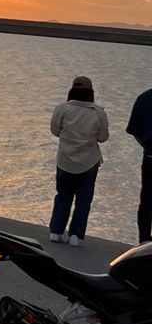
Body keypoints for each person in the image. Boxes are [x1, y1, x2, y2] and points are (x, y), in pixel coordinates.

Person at [49, 76, 109, 246]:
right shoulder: (98, 113)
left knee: (63, 195)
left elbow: (55, 131)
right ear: (91, 92)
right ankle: (75, 235)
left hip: (65, 160)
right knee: (83, 199)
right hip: (89, 162)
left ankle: (56, 231)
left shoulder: (62, 109)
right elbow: (103, 137)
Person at [126, 84, 152, 246]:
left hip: (150, 156)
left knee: (147, 200)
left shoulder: (144, 98)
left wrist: (145, 145)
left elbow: (134, 130)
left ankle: (143, 240)